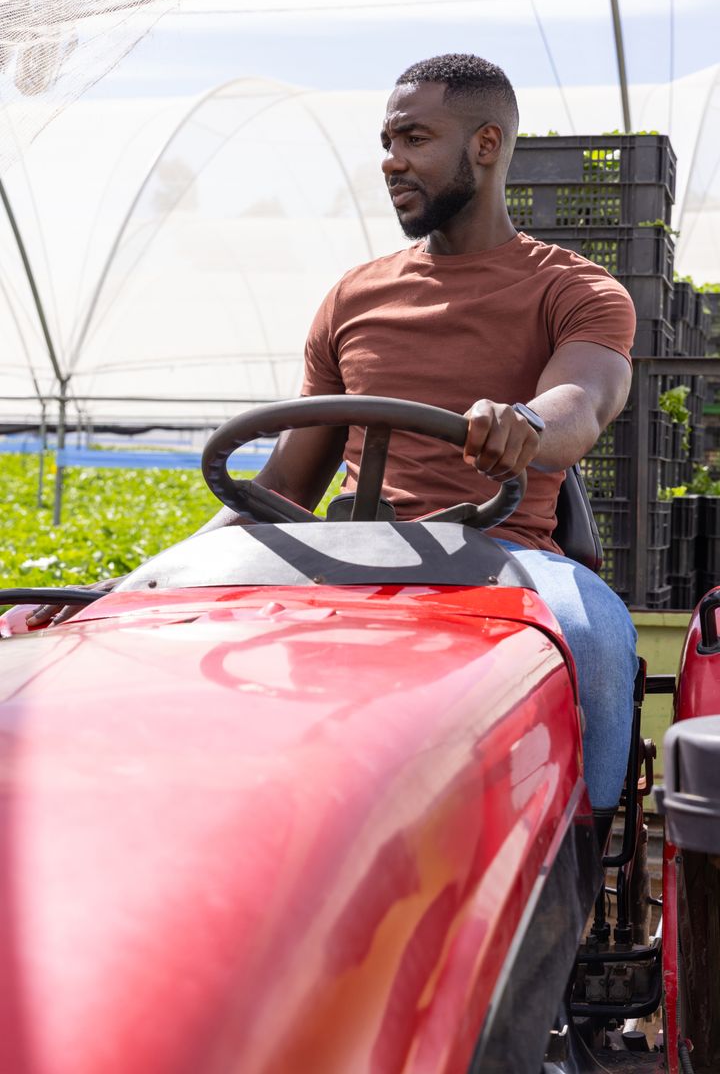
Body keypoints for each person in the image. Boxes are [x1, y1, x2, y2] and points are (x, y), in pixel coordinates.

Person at [27, 53, 637, 824]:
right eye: (386, 141)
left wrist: (528, 423)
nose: (391, 161)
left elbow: (583, 401)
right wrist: (141, 577)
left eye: (414, 138)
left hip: (506, 553)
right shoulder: (353, 296)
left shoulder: (574, 288)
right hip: (348, 552)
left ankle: (574, 844)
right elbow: (283, 489)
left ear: (486, 145)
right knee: (139, 618)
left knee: (593, 636)